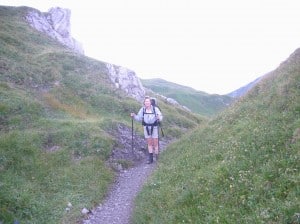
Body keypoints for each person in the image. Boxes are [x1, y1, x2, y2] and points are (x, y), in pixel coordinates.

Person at [130, 96, 163, 164]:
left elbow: (160, 116)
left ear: (150, 102)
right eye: (146, 102)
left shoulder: (155, 109)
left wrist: (159, 118)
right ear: (144, 103)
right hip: (146, 128)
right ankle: (150, 159)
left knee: (155, 142)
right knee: (149, 143)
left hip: (154, 127)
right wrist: (134, 116)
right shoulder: (143, 109)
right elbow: (139, 118)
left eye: (148, 101)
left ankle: (157, 156)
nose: (147, 103)